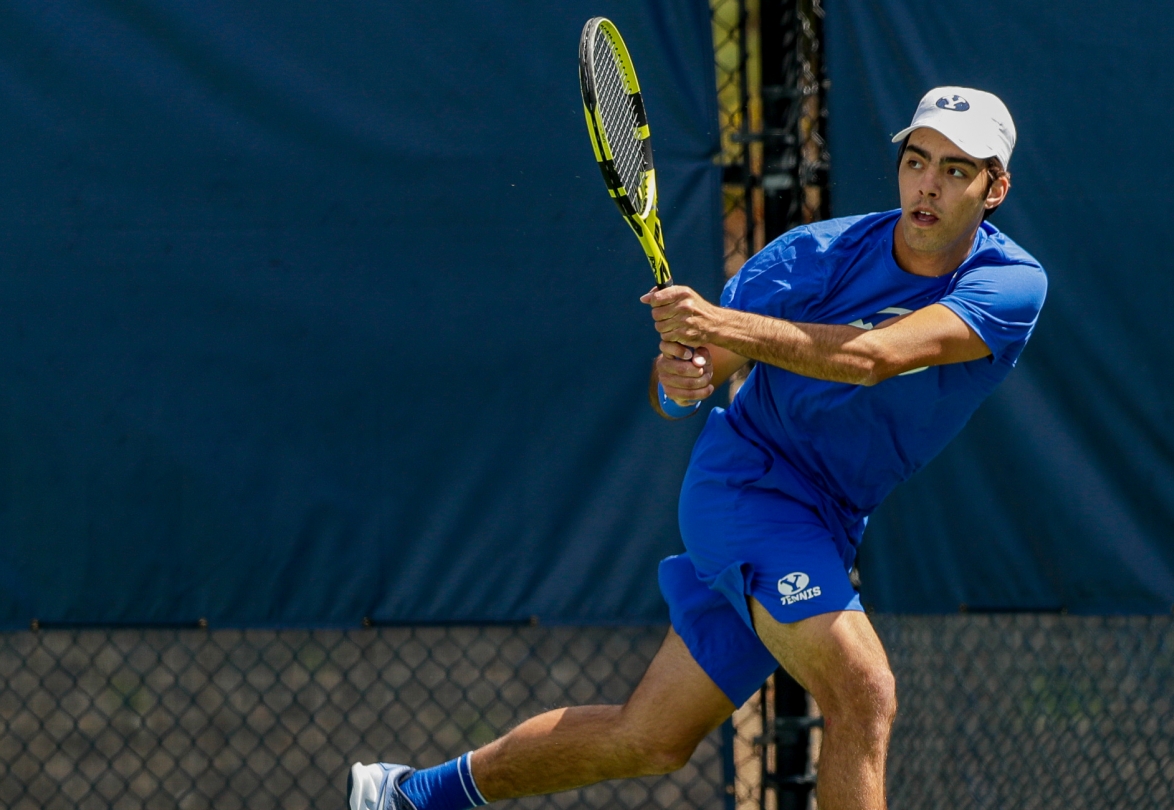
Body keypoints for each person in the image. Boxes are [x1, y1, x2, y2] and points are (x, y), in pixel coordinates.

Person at [348, 86, 1046, 810]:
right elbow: (690, 379)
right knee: (864, 692)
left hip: (829, 519)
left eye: (957, 170)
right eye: (916, 160)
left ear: (996, 188)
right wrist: (686, 377)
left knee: (649, 737)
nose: (927, 184)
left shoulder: (1009, 284)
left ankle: (406, 797)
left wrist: (724, 325)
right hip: (748, 489)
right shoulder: (811, 257)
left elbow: (874, 357)